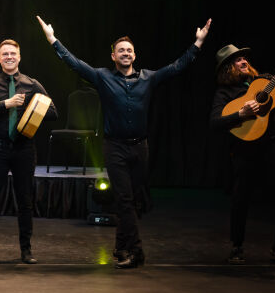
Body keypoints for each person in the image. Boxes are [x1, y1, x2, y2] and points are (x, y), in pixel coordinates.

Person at [37, 15, 211, 268]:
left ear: (134, 55)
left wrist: (198, 43)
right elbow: (74, 63)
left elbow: (176, 67)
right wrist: (52, 39)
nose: (126, 53)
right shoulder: (102, 77)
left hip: (140, 147)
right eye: (121, 51)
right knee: (125, 199)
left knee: (131, 201)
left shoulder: (148, 78)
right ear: (113, 56)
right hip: (115, 147)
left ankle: (120, 247)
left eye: (129, 50)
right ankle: (136, 252)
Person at [210, 43, 275, 265]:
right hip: (245, 149)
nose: (244, 61)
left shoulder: (265, 81)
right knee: (241, 198)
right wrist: (240, 115)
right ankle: (236, 246)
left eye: (244, 58)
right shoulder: (225, 93)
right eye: (237, 59)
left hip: (273, 144)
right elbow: (215, 123)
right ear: (228, 68)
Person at [0, 39, 58, 265]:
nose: (9, 57)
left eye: (13, 54)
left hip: (24, 150)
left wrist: (30, 108)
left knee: (25, 201)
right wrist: (6, 104)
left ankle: (26, 250)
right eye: (5, 54)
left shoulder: (31, 84)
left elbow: (53, 112)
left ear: (19, 57)